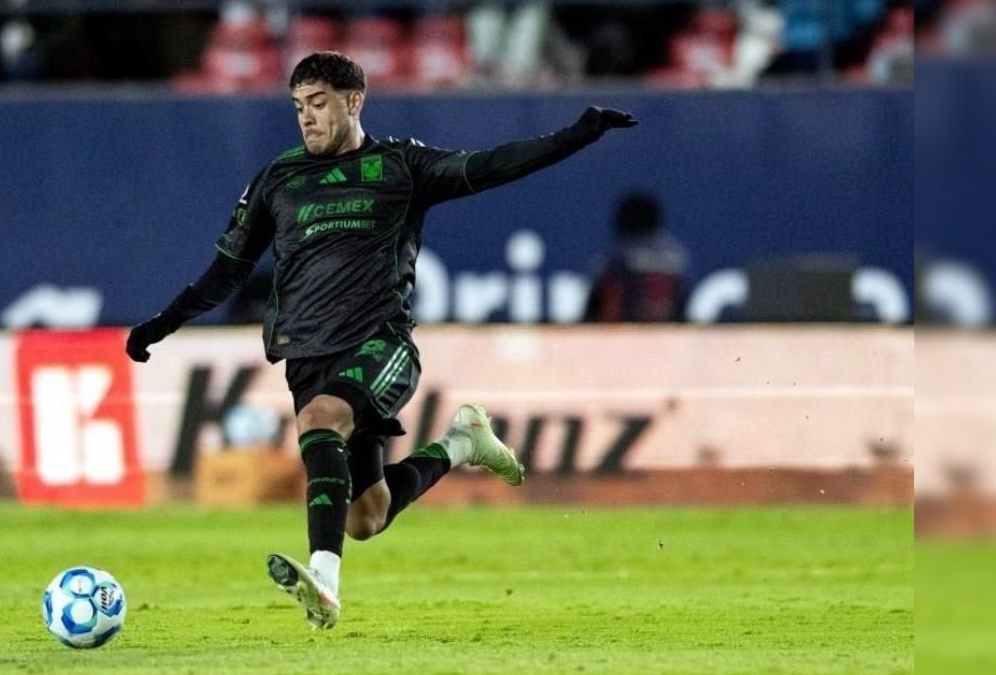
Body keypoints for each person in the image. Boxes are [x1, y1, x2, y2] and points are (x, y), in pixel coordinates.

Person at [125, 51, 637, 630]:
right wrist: (164, 322)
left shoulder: (401, 166)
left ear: (353, 101)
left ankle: (324, 579)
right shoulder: (277, 180)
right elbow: (227, 271)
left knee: (321, 419)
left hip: (380, 342)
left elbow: (492, 165)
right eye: (298, 106)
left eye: (318, 103)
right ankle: (462, 444)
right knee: (365, 517)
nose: (306, 116)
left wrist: (576, 135)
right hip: (307, 353)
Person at [586, 192, 689, 322]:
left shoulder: (617, 257)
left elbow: (604, 306)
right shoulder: (677, 256)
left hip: (625, 328)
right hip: (669, 328)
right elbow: (684, 303)